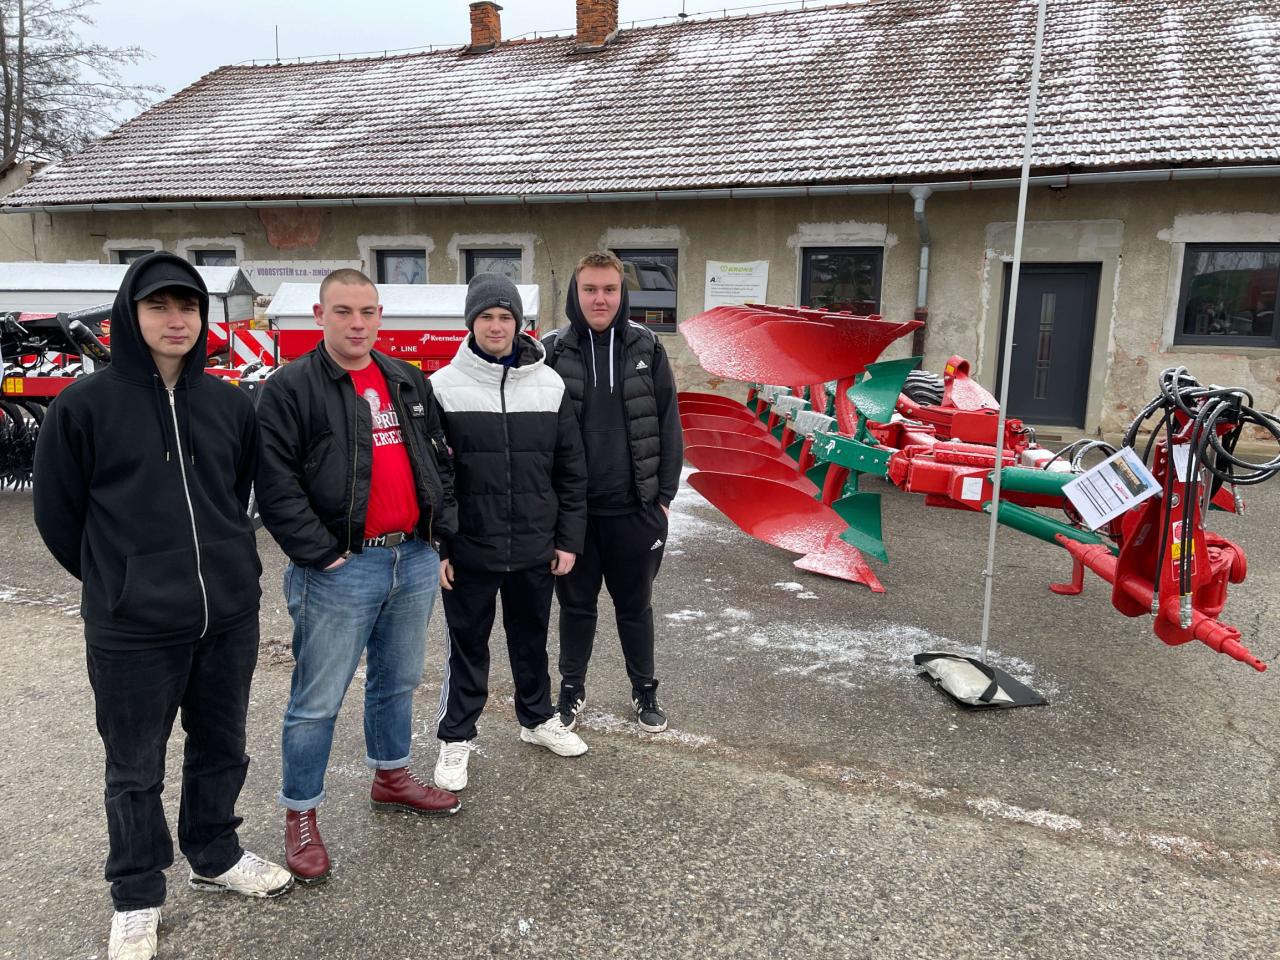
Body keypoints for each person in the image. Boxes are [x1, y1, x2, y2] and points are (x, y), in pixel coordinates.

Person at [33, 252, 292, 960]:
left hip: (226, 617)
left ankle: (215, 852)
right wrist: (118, 581)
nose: (176, 320)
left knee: (223, 745)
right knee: (134, 767)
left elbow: (237, 493)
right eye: (159, 306)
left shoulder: (229, 404)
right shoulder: (83, 407)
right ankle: (137, 892)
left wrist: (228, 570)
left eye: (188, 307)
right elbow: (58, 514)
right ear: (131, 313)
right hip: (132, 628)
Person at [254, 268, 460, 885]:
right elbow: (276, 483)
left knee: (398, 682)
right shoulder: (290, 388)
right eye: (343, 311)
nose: (357, 323)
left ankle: (391, 775)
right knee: (316, 701)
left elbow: (439, 459)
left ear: (380, 315)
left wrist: (439, 534)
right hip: (341, 568)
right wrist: (321, 554)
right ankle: (301, 813)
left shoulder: (406, 379)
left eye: (367, 311)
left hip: (412, 557)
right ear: (320, 315)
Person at [430, 273, 589, 792]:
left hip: (533, 545)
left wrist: (567, 540)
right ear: (471, 322)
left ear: (519, 323)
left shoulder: (549, 385)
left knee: (530, 640)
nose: (496, 326)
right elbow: (435, 475)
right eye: (486, 317)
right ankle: (456, 735)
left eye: (505, 317)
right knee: (467, 646)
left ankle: (537, 719)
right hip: (470, 548)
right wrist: (441, 544)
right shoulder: (443, 387)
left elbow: (570, 470)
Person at [542, 251, 683, 734]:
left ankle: (644, 689)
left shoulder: (647, 347)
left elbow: (668, 423)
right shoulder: (552, 351)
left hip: (635, 510)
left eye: (609, 289)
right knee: (576, 608)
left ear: (622, 293)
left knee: (635, 607)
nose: (599, 299)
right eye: (590, 289)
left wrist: (663, 500)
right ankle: (571, 688)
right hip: (575, 516)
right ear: (575, 294)